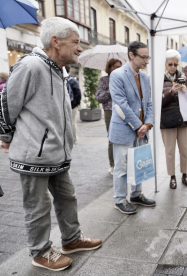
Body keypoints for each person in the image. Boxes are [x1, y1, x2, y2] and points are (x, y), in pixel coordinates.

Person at [0, 17, 102, 272]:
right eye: (75, 42)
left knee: (67, 197)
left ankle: (71, 239)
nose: (80, 48)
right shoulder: (31, 65)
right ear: (55, 42)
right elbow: (6, 104)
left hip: (57, 153)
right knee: (38, 206)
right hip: (34, 155)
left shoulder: (58, 70)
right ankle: (40, 252)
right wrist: (6, 137)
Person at [108, 41, 155, 214]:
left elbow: (149, 103)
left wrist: (147, 125)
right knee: (121, 168)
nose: (147, 61)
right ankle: (120, 199)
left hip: (141, 130)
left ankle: (136, 194)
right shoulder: (117, 75)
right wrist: (138, 125)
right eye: (143, 57)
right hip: (124, 130)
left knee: (139, 163)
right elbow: (121, 105)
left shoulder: (144, 77)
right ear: (131, 55)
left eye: (147, 57)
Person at [161, 50, 187, 189]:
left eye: (175, 64)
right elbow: (158, 102)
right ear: (165, 64)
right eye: (170, 64)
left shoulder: (183, 78)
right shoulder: (159, 79)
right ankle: (172, 176)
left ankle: (184, 174)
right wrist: (171, 92)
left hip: (184, 119)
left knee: (185, 149)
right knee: (170, 151)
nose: (173, 66)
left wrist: (186, 91)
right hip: (168, 119)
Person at [95, 58, 122, 175]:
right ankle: (113, 164)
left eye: (120, 66)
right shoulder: (104, 80)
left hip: (123, 111)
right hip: (110, 111)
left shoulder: (124, 79)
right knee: (112, 139)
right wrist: (111, 89)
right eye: (116, 66)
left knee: (123, 138)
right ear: (110, 68)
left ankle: (122, 163)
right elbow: (99, 97)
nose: (118, 69)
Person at [65, 65, 82, 144]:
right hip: (72, 105)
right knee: (72, 122)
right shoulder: (73, 80)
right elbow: (78, 93)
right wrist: (76, 103)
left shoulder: (61, 79)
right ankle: (73, 139)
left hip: (63, 105)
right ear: (70, 71)